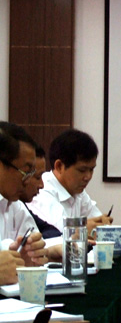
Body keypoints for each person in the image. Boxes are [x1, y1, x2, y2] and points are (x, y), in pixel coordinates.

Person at [29, 128, 113, 234]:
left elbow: (97, 221)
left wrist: (102, 222)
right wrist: (85, 227)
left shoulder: (78, 191)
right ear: (59, 166)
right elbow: (60, 232)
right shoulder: (42, 190)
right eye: (82, 170)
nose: (88, 177)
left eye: (91, 169)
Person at [0, 121, 49, 284]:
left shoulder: (15, 205)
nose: (28, 181)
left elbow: (33, 249)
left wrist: (31, 257)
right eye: (26, 172)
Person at [19, 146, 62, 239]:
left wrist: (35, 239)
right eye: (38, 177)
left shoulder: (18, 204)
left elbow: (52, 231)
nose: (42, 185)